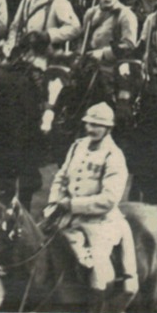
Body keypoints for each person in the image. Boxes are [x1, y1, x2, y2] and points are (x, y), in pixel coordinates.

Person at [47, 101, 131, 299]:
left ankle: (97, 309)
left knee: (98, 273)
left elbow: (109, 199)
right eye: (88, 124)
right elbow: (61, 176)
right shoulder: (77, 146)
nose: (90, 129)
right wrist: (54, 203)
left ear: (108, 128)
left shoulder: (114, 156)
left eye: (96, 125)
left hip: (98, 223)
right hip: (65, 216)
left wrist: (73, 205)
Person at [79, 0, 138, 64]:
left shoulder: (126, 15)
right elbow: (83, 39)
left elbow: (129, 46)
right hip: (90, 63)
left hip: (113, 66)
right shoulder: (91, 13)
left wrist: (104, 53)